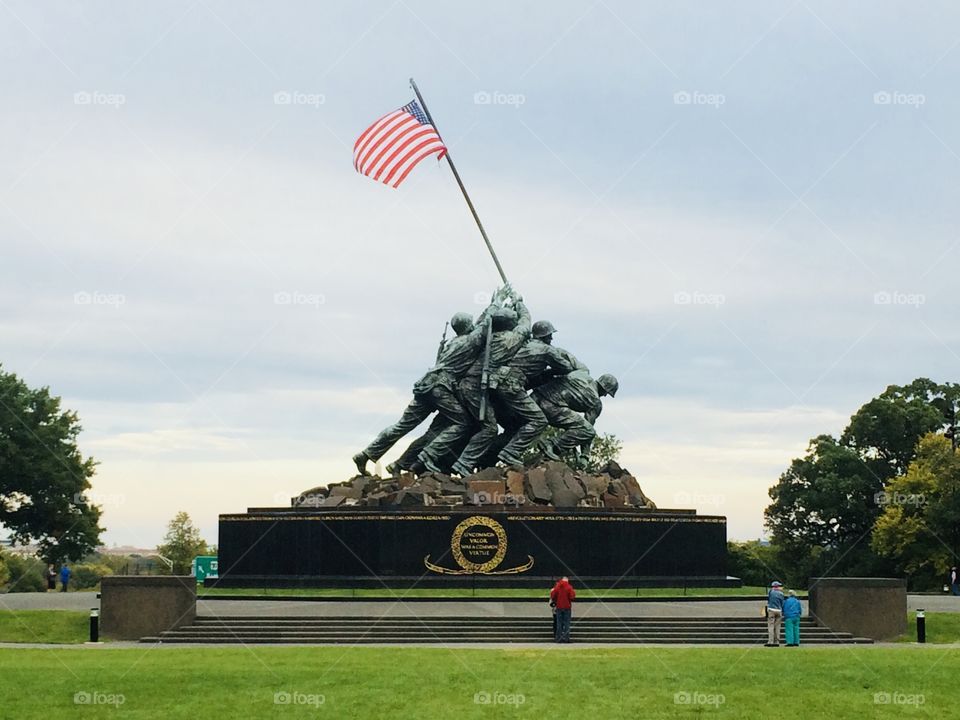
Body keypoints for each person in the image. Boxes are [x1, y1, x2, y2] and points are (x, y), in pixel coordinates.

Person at [352, 305, 493, 476]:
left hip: (425, 385)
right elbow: (484, 326)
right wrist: (496, 302)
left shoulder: (453, 343)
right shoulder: (470, 341)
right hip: (441, 388)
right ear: (467, 326)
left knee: (402, 425)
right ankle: (428, 456)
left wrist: (490, 306)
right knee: (462, 422)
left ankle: (367, 453)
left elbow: (479, 325)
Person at [451, 297, 531, 477]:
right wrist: (520, 304)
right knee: (489, 428)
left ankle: (475, 461)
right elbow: (526, 324)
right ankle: (464, 463)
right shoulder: (510, 339)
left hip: (466, 385)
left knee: (486, 425)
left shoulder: (484, 337)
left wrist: (499, 305)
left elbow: (481, 322)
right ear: (511, 325)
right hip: (474, 387)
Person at [533, 370, 619, 467]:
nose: (604, 395)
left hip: (535, 396)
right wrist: (585, 456)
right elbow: (587, 429)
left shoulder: (582, 374)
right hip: (550, 407)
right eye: (606, 393)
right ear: (605, 390)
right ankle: (551, 445)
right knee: (588, 431)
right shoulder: (596, 402)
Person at [550, 576, 576, 643]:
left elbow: (553, 595)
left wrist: (556, 600)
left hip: (559, 607)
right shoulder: (569, 587)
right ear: (567, 581)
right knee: (567, 624)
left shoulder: (557, 586)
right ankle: (566, 638)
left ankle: (558, 638)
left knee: (559, 623)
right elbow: (572, 596)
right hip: (567, 607)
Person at [765, 580, 785, 646]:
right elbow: (782, 603)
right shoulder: (781, 593)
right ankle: (777, 641)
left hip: (771, 609)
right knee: (777, 627)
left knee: (771, 626)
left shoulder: (771, 592)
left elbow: (768, 599)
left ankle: (770, 641)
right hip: (779, 610)